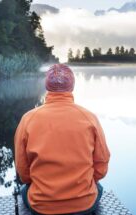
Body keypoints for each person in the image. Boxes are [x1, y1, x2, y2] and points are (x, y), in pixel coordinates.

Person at [14, 64, 110, 215]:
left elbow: (23, 171)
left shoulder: (28, 119)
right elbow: (101, 165)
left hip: (42, 206)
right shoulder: (89, 118)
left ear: (47, 86)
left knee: (23, 190)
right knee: (99, 188)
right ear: (72, 86)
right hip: (83, 204)